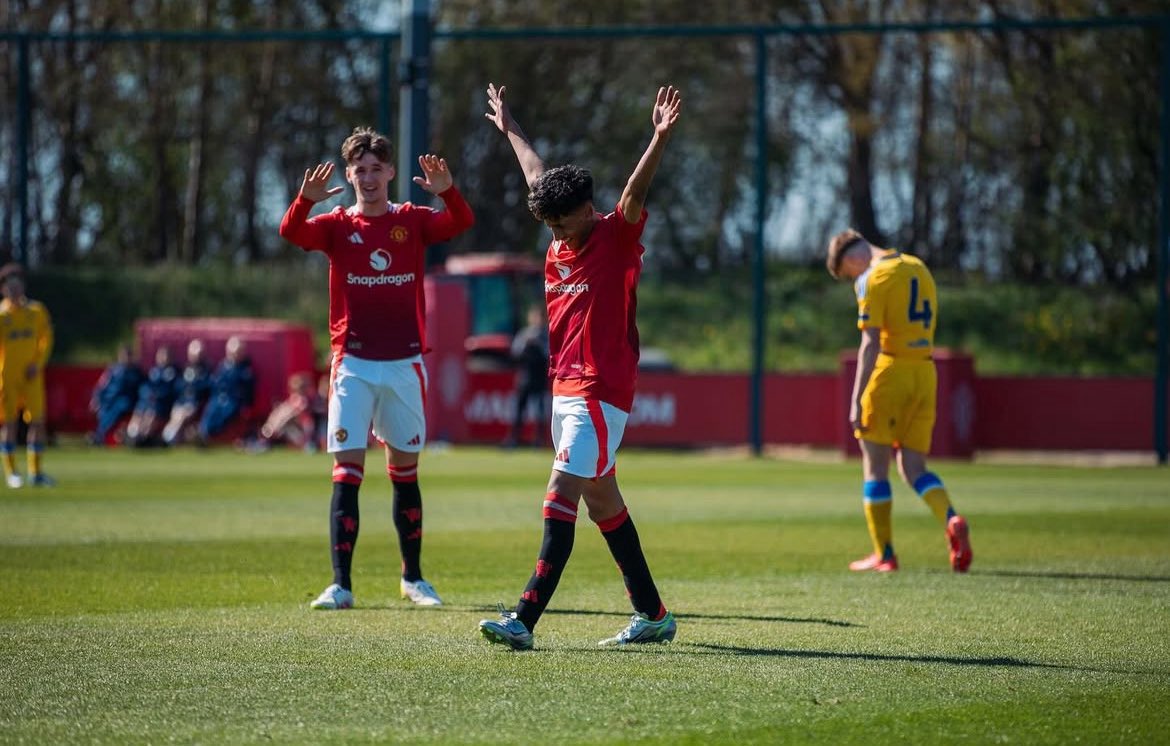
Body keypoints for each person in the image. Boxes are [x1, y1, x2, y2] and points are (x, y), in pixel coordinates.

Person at [477, 83, 681, 650]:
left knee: (559, 490)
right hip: (565, 389)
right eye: (550, 227)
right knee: (604, 504)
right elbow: (535, 173)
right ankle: (654, 615)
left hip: (600, 390)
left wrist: (658, 139)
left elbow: (636, 195)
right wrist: (511, 127)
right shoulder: (558, 230)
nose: (558, 236)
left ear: (588, 212)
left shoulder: (615, 237)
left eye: (564, 225)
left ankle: (523, 618)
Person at [279, 126, 474, 610]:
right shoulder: (335, 224)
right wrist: (304, 200)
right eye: (359, 170)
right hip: (353, 364)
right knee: (347, 473)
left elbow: (461, 221)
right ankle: (341, 585)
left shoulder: (412, 219)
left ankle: (413, 578)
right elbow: (290, 232)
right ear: (349, 174)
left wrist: (447, 189)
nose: (367, 178)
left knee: (404, 474)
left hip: (405, 362)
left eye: (375, 169)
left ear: (390, 171)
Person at [825, 228, 973, 573]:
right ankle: (952, 519)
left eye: (851, 274)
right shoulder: (919, 267)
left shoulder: (873, 277)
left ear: (852, 259)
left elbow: (870, 343)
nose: (855, 279)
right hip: (925, 372)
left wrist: (857, 396)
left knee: (876, 466)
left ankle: (885, 554)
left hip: (890, 373)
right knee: (914, 467)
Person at [0, 264, 55, 487]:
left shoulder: (36, 311)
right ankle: (11, 472)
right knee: (10, 423)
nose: (14, 290)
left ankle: (36, 472)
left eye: (17, 285)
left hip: (31, 375)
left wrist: (38, 363)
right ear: (3, 289)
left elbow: (46, 339)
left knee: (38, 422)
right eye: (9, 286)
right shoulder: (2, 315)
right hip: (7, 376)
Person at [196, 335, 255, 444]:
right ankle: (203, 434)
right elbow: (215, 383)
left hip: (234, 400)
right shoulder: (223, 366)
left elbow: (247, 390)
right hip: (219, 398)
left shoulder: (246, 368)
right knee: (211, 410)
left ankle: (212, 436)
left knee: (226, 413)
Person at [505, 304, 549, 447]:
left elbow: (549, 354)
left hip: (540, 378)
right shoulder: (524, 334)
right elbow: (515, 352)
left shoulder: (546, 336)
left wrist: (538, 345)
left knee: (539, 410)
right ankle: (514, 439)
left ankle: (538, 440)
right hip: (525, 378)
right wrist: (527, 344)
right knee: (519, 409)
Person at [89, 344, 145, 446]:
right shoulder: (112, 370)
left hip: (127, 402)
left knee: (121, 405)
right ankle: (100, 435)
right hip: (109, 401)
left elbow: (142, 389)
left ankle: (99, 435)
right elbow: (101, 387)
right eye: (123, 356)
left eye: (128, 356)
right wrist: (96, 398)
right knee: (105, 410)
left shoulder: (136, 372)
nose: (126, 359)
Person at [252, 372, 320, 452]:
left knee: (286, 416)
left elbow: (306, 419)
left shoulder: (307, 400)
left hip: (302, 431)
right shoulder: (293, 401)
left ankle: (265, 439)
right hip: (288, 429)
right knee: (282, 414)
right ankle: (265, 438)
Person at [162, 338, 212, 446]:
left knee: (182, 415)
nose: (196, 356)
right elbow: (178, 387)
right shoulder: (185, 369)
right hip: (181, 402)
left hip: (195, 404)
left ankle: (169, 438)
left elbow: (206, 387)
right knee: (177, 414)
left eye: (198, 354)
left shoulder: (206, 370)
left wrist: (194, 387)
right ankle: (167, 437)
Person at [126, 344, 178, 447]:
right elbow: (145, 387)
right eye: (160, 356)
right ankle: (133, 435)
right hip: (148, 402)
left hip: (162, 404)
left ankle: (144, 437)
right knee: (139, 412)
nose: (162, 358)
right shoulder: (153, 371)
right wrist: (147, 395)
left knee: (151, 414)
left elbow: (172, 390)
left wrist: (157, 396)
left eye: (165, 356)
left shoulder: (174, 373)